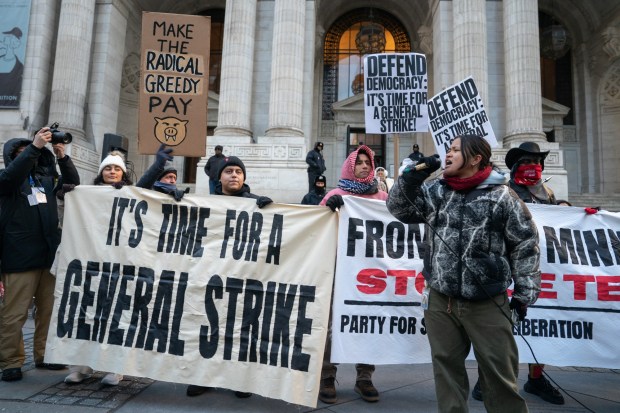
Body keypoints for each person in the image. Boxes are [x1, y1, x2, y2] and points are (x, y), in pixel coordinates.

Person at [387, 134, 541, 413]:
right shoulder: (436, 191)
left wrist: (523, 295)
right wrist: (410, 177)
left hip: (487, 303)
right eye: (448, 149)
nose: (447, 154)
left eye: (455, 150)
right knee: (446, 373)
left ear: (475, 158)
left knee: (499, 378)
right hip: (440, 300)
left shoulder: (501, 195)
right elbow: (400, 209)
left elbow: (525, 244)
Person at [64, 144, 174, 386]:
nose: (112, 172)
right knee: (87, 313)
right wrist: (69, 194)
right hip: (92, 263)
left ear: (123, 174)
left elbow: (143, 183)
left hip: (121, 264)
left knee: (118, 314)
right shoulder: (86, 193)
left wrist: (158, 165)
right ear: (101, 172)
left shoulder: (130, 192)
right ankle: (81, 366)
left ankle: (115, 367)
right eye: (108, 168)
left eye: (116, 169)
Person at [186, 155, 271, 399]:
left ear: (244, 178)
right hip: (211, 278)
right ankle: (203, 376)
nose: (234, 175)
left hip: (243, 279)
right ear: (218, 177)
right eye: (229, 171)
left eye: (238, 171)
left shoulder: (258, 205)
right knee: (207, 326)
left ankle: (240, 379)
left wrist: (273, 209)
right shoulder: (205, 204)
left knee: (241, 329)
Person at [0, 127, 80, 382]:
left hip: (48, 255)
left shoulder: (46, 181)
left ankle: (44, 354)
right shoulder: (7, 181)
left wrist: (62, 157)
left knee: (48, 310)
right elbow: (14, 175)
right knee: (14, 314)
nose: (31, 158)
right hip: (19, 258)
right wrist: (34, 147)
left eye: (32, 153)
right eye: (23, 154)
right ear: (13, 158)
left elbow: (73, 184)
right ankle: (11, 361)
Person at [318, 145, 388, 404]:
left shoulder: (382, 198)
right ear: (350, 166)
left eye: (368, 162)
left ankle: (364, 377)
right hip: (339, 270)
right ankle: (327, 375)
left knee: (369, 322)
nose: (365, 166)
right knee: (330, 326)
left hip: (371, 274)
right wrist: (329, 210)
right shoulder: (335, 195)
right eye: (359, 162)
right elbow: (317, 229)